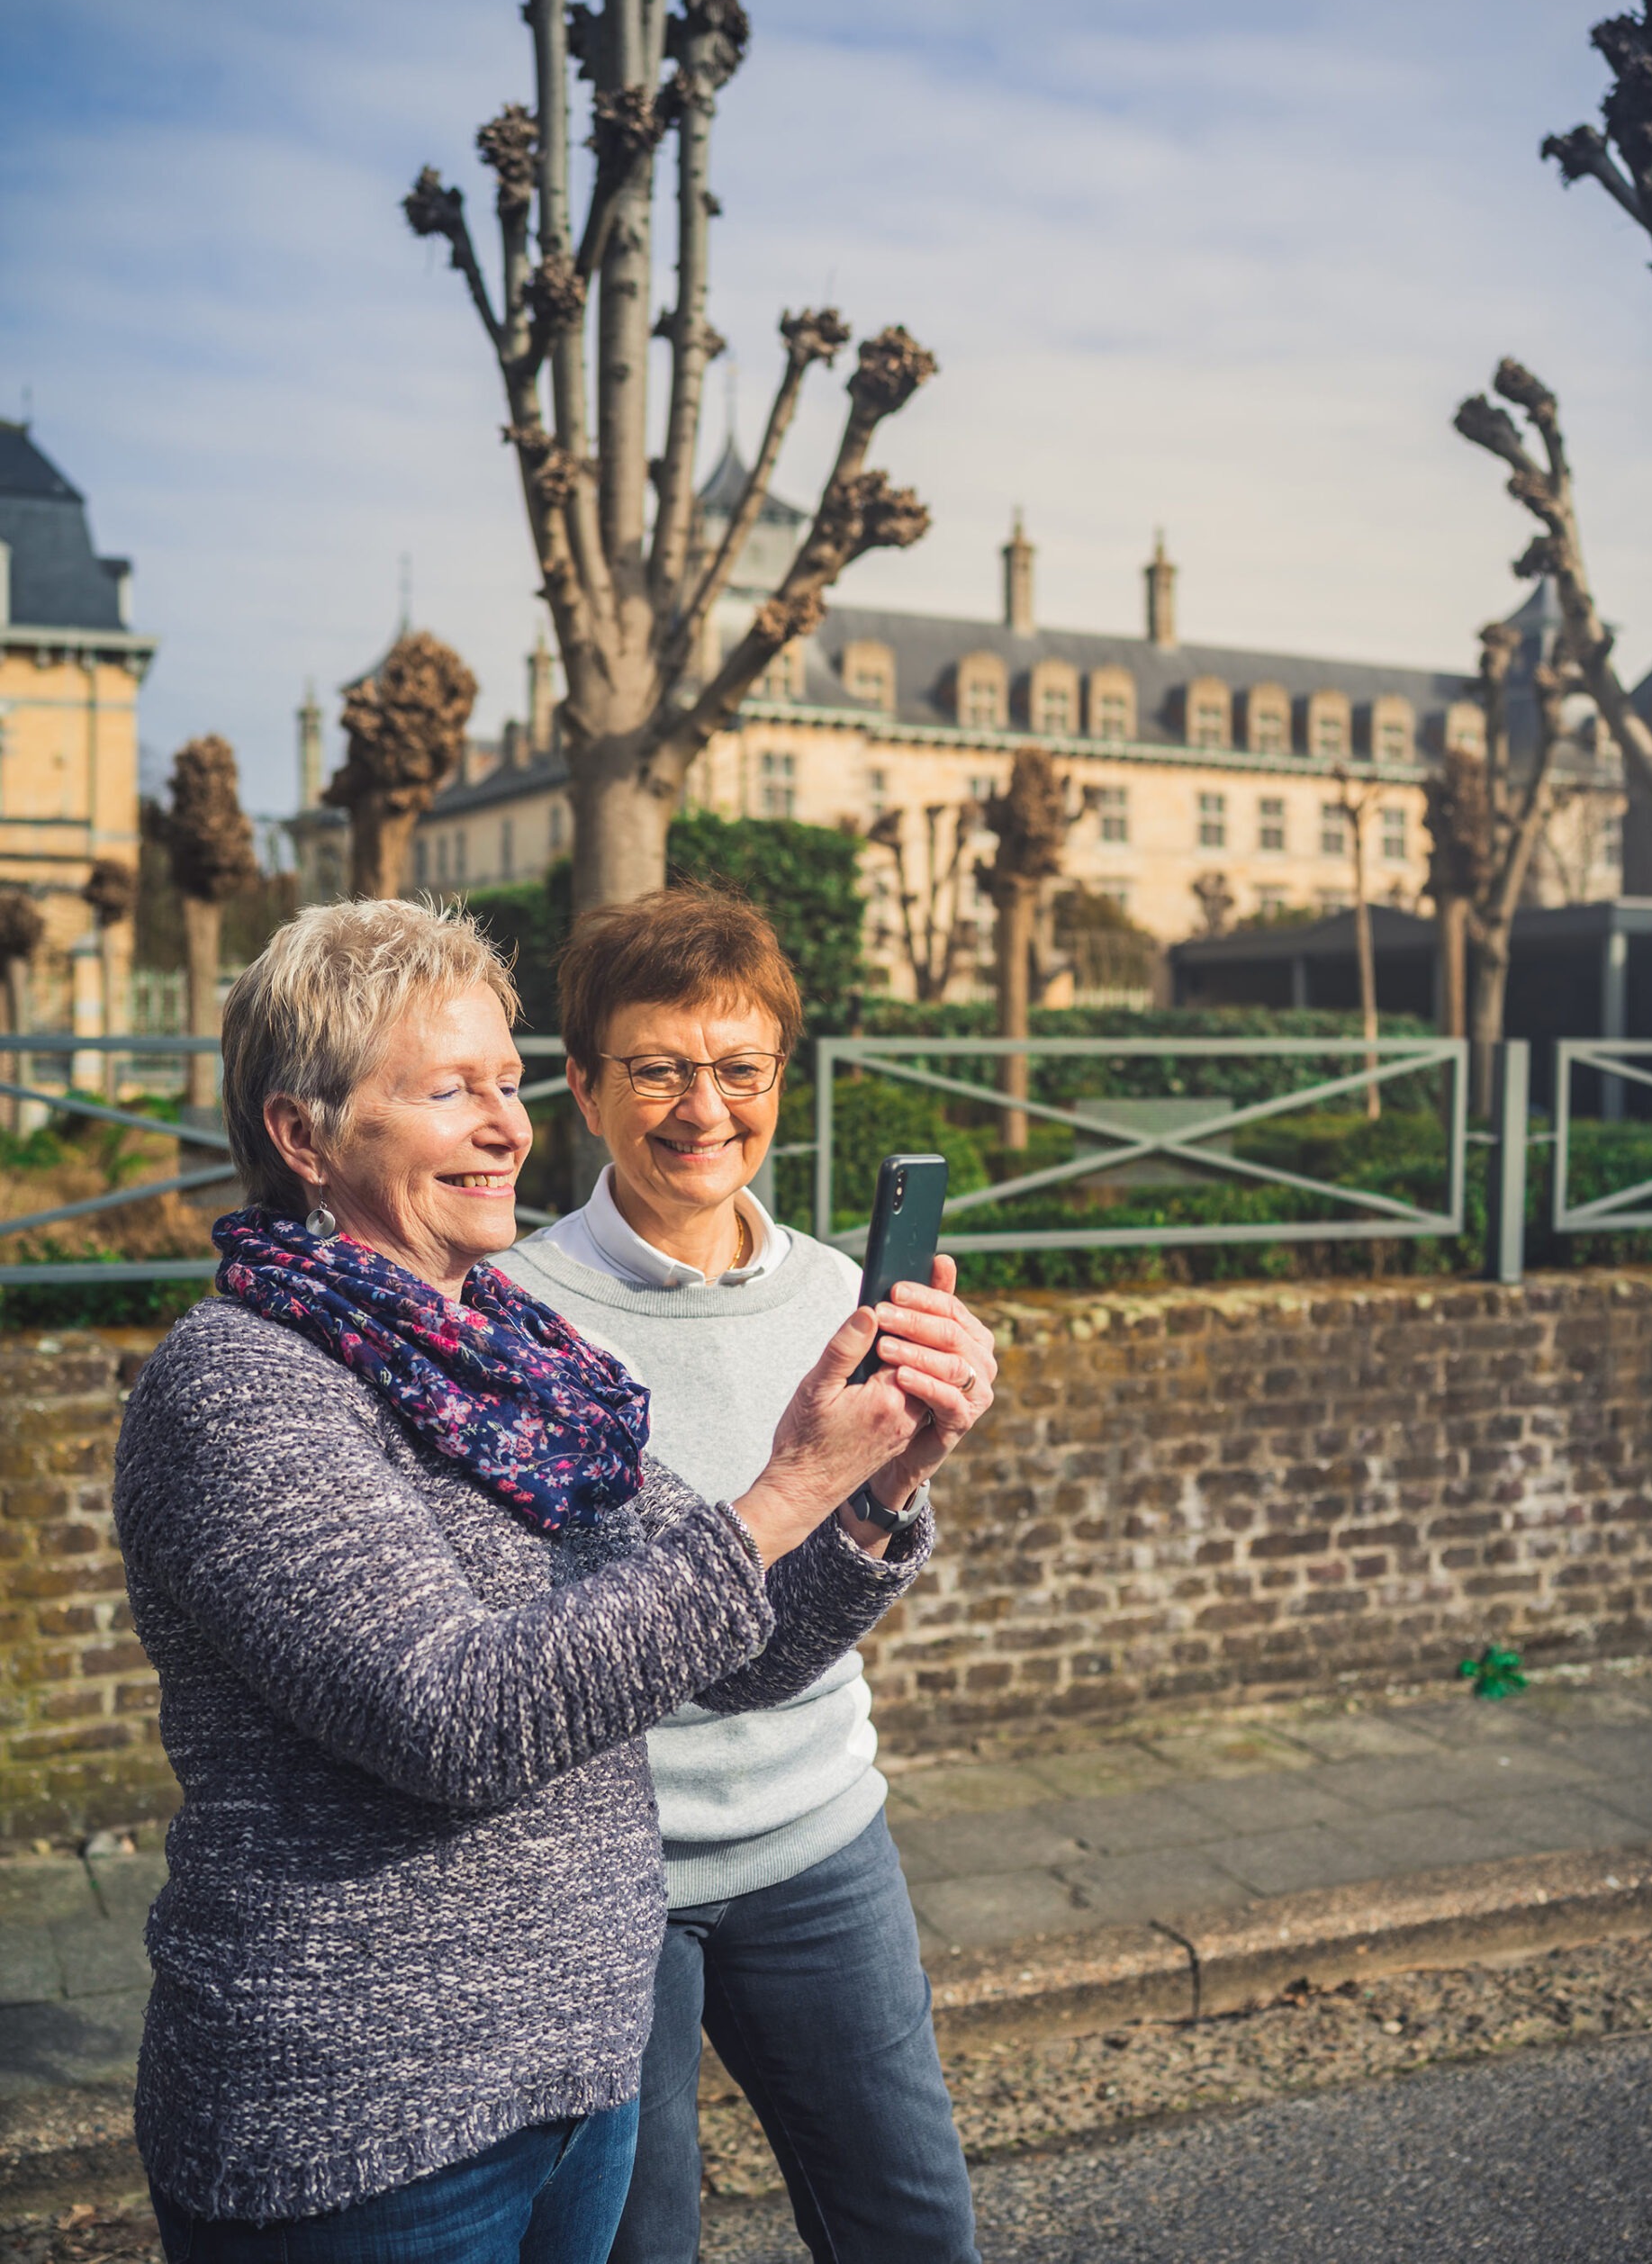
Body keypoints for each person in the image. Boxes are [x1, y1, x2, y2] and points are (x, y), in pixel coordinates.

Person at [113, 897, 988, 2264]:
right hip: (374, 2122)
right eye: (452, 1090)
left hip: (566, 2079)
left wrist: (875, 1487)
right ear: (305, 1135)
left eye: (507, 1085)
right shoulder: (242, 1387)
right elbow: (456, 1720)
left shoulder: (506, 1347)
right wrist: (786, 1490)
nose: (510, 1127)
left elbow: (738, 1647)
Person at [495, 888, 995, 2264]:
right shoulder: (510, 1317)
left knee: (911, 2226)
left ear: (780, 1080)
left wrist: (898, 1479)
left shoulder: (845, 1293)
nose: (701, 1108)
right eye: (656, 1069)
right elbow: (542, 1634)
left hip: (819, 1838)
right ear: (586, 1091)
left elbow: (813, 1613)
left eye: (737, 1069)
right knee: (634, 2247)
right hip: (605, 1871)